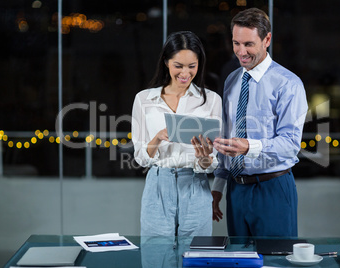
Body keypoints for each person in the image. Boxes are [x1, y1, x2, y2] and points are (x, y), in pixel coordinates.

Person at [212, 8, 308, 237]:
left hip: (272, 188)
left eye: (248, 44)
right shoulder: (232, 80)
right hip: (236, 189)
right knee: (238, 261)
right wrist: (218, 186)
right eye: (236, 43)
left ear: (267, 39)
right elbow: (228, 136)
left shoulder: (288, 84)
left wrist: (249, 146)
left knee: (276, 261)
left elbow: (290, 144)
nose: (241, 52)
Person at [132, 31, 222, 237]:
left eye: (192, 66)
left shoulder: (212, 100)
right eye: (178, 66)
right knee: (156, 255)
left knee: (196, 256)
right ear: (166, 62)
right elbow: (140, 157)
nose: (185, 73)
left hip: (195, 185)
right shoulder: (144, 99)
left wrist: (205, 158)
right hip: (157, 185)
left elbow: (212, 163)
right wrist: (157, 137)